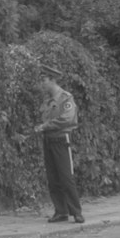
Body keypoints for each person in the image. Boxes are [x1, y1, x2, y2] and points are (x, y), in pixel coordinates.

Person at [34, 64, 84, 224]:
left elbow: (68, 119)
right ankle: (60, 211)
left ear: (52, 80)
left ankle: (76, 212)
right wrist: (41, 127)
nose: (42, 84)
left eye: (44, 80)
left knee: (66, 177)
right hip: (48, 140)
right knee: (53, 178)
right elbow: (45, 119)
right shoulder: (47, 101)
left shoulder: (66, 98)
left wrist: (46, 126)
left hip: (61, 140)